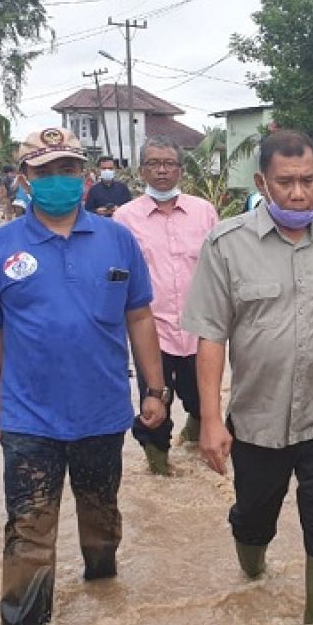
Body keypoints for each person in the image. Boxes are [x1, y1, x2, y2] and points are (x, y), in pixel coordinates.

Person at [0, 127, 167, 625]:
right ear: (24, 179)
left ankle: (103, 596)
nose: (58, 179)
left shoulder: (117, 238)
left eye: (68, 169)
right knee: (29, 527)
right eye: (45, 171)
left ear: (83, 176)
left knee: (101, 519)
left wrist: (154, 389)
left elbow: (140, 317)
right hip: (28, 417)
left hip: (102, 412)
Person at [184, 129, 313, 624]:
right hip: (257, 418)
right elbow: (210, 338)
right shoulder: (226, 245)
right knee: (253, 516)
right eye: (285, 182)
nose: (297, 193)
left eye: (308, 181)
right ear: (261, 182)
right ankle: (253, 574)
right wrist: (209, 419)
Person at [113, 136, 218, 475]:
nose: (161, 170)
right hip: (150, 330)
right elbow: (117, 275)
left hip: (198, 328)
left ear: (180, 169)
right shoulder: (125, 218)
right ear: (141, 170)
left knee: (202, 398)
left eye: (169, 163)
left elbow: (219, 267)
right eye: (153, 163)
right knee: (154, 401)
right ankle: (159, 467)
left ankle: (193, 431)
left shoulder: (204, 212)